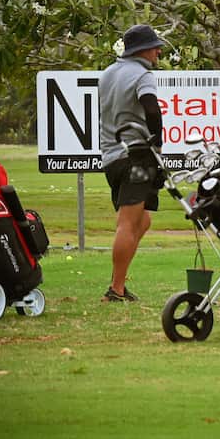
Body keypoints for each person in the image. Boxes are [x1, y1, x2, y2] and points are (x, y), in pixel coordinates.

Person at [98, 24, 166, 302]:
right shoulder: (143, 75)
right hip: (137, 155)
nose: (158, 51)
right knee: (128, 223)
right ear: (143, 50)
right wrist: (158, 145)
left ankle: (120, 285)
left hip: (111, 157)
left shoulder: (108, 74)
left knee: (143, 220)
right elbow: (151, 108)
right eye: (155, 47)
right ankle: (115, 289)